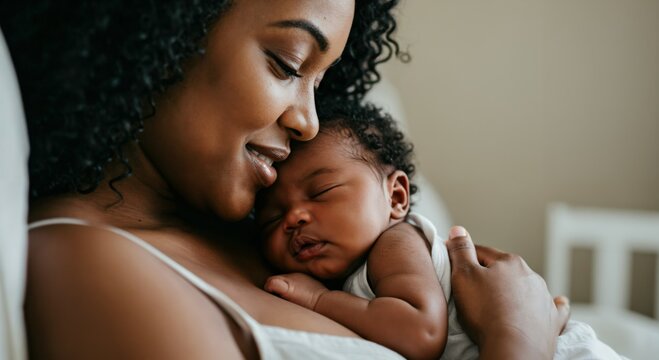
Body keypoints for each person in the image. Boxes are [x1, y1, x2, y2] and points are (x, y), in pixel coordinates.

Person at [2, 0, 571, 359]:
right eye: (288, 64)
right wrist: (518, 337)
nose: (308, 121)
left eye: (320, 85)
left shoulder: (268, 235)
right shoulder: (84, 266)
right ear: (163, 29)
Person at [256, 101, 625, 360]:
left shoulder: (395, 243)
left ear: (397, 197)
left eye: (321, 192)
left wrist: (319, 300)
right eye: (272, 218)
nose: (293, 218)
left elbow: (422, 333)